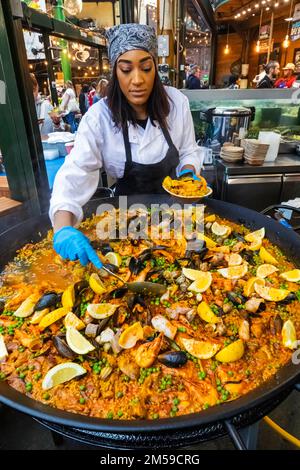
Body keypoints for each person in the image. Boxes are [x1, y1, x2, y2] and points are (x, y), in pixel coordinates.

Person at [50, 23, 204, 268]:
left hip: (177, 214)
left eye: (145, 68)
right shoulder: (98, 118)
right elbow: (75, 174)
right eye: (125, 69)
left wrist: (187, 173)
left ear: (155, 67)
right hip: (123, 218)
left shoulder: (177, 103)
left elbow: (188, 150)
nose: (137, 80)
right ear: (114, 72)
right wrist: (62, 229)